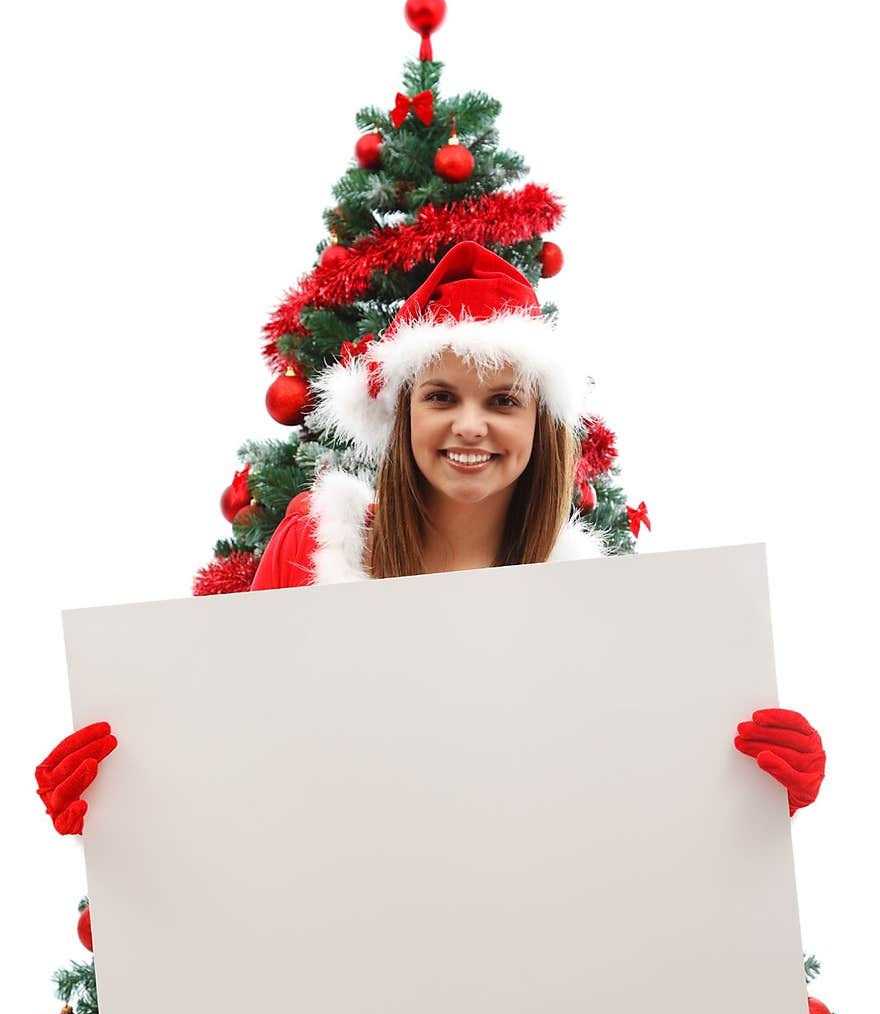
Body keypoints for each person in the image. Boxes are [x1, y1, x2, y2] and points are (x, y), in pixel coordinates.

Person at [34, 242, 826, 833]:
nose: (470, 426)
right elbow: (234, 746)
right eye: (441, 395)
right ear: (404, 413)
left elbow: (628, 798)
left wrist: (751, 786)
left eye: (504, 401)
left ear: (539, 423)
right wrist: (120, 801)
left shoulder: (597, 605)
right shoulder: (318, 546)